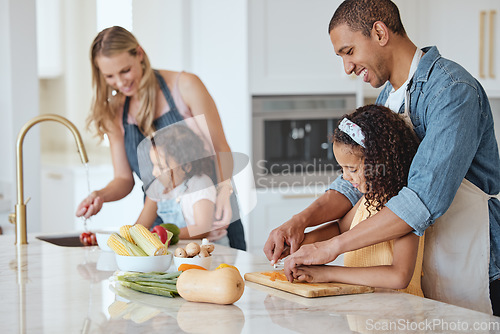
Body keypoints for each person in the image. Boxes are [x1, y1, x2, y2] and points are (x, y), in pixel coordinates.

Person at [264, 0, 500, 314]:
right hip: (425, 267)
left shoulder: (452, 91)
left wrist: (329, 249)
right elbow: (355, 184)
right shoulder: (389, 95)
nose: (347, 68)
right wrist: (299, 223)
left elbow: (421, 200)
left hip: (474, 260)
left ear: (379, 32)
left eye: (348, 52)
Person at [76, 26, 246, 250]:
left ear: (139, 53)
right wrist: (100, 195)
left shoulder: (185, 86)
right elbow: (124, 180)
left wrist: (225, 192)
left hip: (211, 214)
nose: (120, 82)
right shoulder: (115, 112)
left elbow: (220, 147)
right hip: (160, 227)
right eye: (109, 76)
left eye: (125, 70)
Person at [294, 105, 423, 296]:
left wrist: (327, 273)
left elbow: (399, 276)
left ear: (380, 162)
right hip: (364, 312)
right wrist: (299, 245)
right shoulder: (368, 200)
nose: (345, 177)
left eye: (352, 169)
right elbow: (340, 229)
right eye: (342, 169)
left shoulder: (402, 209)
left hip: (399, 316)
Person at [143, 123, 229, 246]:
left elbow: (202, 228)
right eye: (154, 165)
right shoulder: (157, 187)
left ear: (186, 166)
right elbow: (141, 225)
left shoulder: (200, 184)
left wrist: (163, 235)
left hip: (211, 250)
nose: (154, 172)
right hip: (181, 248)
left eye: (161, 167)